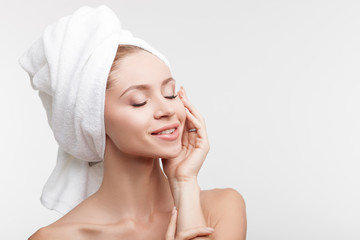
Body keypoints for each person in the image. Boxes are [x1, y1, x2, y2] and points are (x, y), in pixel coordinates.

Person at [21, 6, 246, 240]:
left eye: (170, 93)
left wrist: (184, 183)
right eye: (139, 102)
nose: (168, 109)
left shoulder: (222, 207)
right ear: (92, 120)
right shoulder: (57, 238)